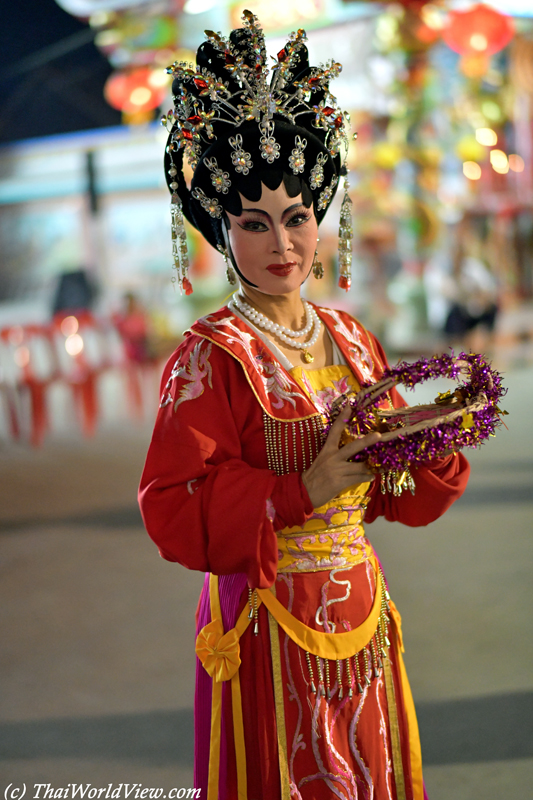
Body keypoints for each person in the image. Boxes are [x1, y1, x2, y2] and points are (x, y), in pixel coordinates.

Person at [139, 13, 470, 800]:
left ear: (322, 218)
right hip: (263, 622)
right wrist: (295, 493)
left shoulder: (353, 339)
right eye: (253, 224)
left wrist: (425, 448)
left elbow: (397, 498)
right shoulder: (210, 359)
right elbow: (170, 504)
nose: (281, 245)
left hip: (360, 612)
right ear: (220, 230)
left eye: (295, 217)